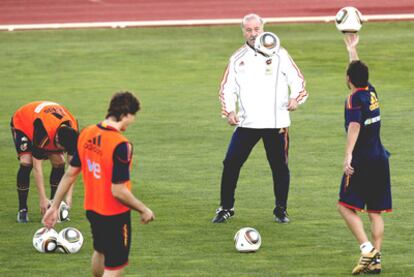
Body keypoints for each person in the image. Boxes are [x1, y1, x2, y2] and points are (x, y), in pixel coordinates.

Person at [43, 91, 155, 277]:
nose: (132, 121)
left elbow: (70, 174)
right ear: (126, 114)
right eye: (133, 116)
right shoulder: (121, 145)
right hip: (114, 214)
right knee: (115, 265)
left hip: (92, 209)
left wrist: (54, 206)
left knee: (100, 250)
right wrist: (143, 209)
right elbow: (118, 191)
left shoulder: (87, 133)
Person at [213, 13, 308, 223]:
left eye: (257, 29)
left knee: (279, 166)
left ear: (263, 28)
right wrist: (229, 111)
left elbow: (299, 81)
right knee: (230, 163)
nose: (253, 33)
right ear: (243, 32)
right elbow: (226, 89)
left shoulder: (281, 54)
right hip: (248, 123)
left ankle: (281, 209)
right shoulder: (237, 59)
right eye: (249, 30)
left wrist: (295, 99)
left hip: (277, 123)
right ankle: (226, 207)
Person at [338, 33, 392, 275]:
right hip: (381, 159)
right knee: (375, 212)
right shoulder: (371, 92)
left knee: (345, 207)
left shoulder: (353, 100)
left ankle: (367, 248)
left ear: (348, 79)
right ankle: (377, 259)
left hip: (362, 161)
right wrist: (352, 50)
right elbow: (359, 75)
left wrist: (348, 155)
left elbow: (354, 126)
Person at [11, 101, 79, 222]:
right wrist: (42, 198)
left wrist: (68, 196)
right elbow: (37, 167)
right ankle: (22, 209)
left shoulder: (73, 131)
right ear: (57, 140)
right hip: (23, 122)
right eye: (61, 149)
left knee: (60, 162)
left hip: (48, 120)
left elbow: (72, 169)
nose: (61, 151)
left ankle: (53, 206)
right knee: (26, 162)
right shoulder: (43, 131)